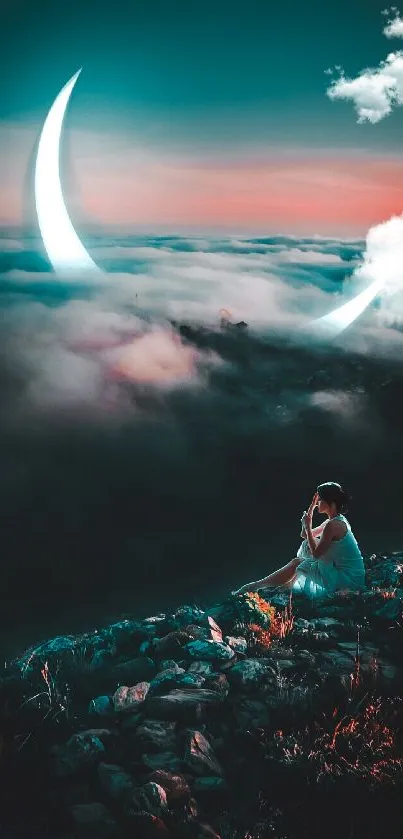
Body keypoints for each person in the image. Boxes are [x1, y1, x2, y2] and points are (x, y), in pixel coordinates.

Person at [232, 482, 366, 598]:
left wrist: (308, 527)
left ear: (330, 502)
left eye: (320, 500)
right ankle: (269, 585)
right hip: (342, 571)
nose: (317, 502)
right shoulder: (332, 521)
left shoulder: (334, 525)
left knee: (298, 562)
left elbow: (316, 554)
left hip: (349, 579)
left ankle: (256, 586)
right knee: (307, 544)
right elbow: (305, 535)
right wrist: (311, 509)